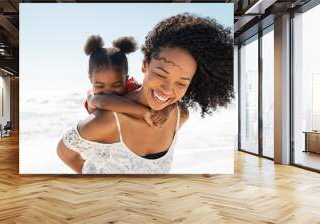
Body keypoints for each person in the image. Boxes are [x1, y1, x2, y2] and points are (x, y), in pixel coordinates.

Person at [57, 13, 234, 174]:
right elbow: (65, 153)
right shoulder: (108, 120)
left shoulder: (180, 115)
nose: (167, 89)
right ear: (145, 64)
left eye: (181, 82)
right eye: (160, 74)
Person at [83, 35, 168, 127]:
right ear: (91, 80)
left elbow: (161, 94)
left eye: (116, 85)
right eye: (100, 86)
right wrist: (145, 112)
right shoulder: (92, 98)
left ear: (126, 79)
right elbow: (104, 101)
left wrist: (164, 109)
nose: (108, 92)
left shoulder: (133, 88)